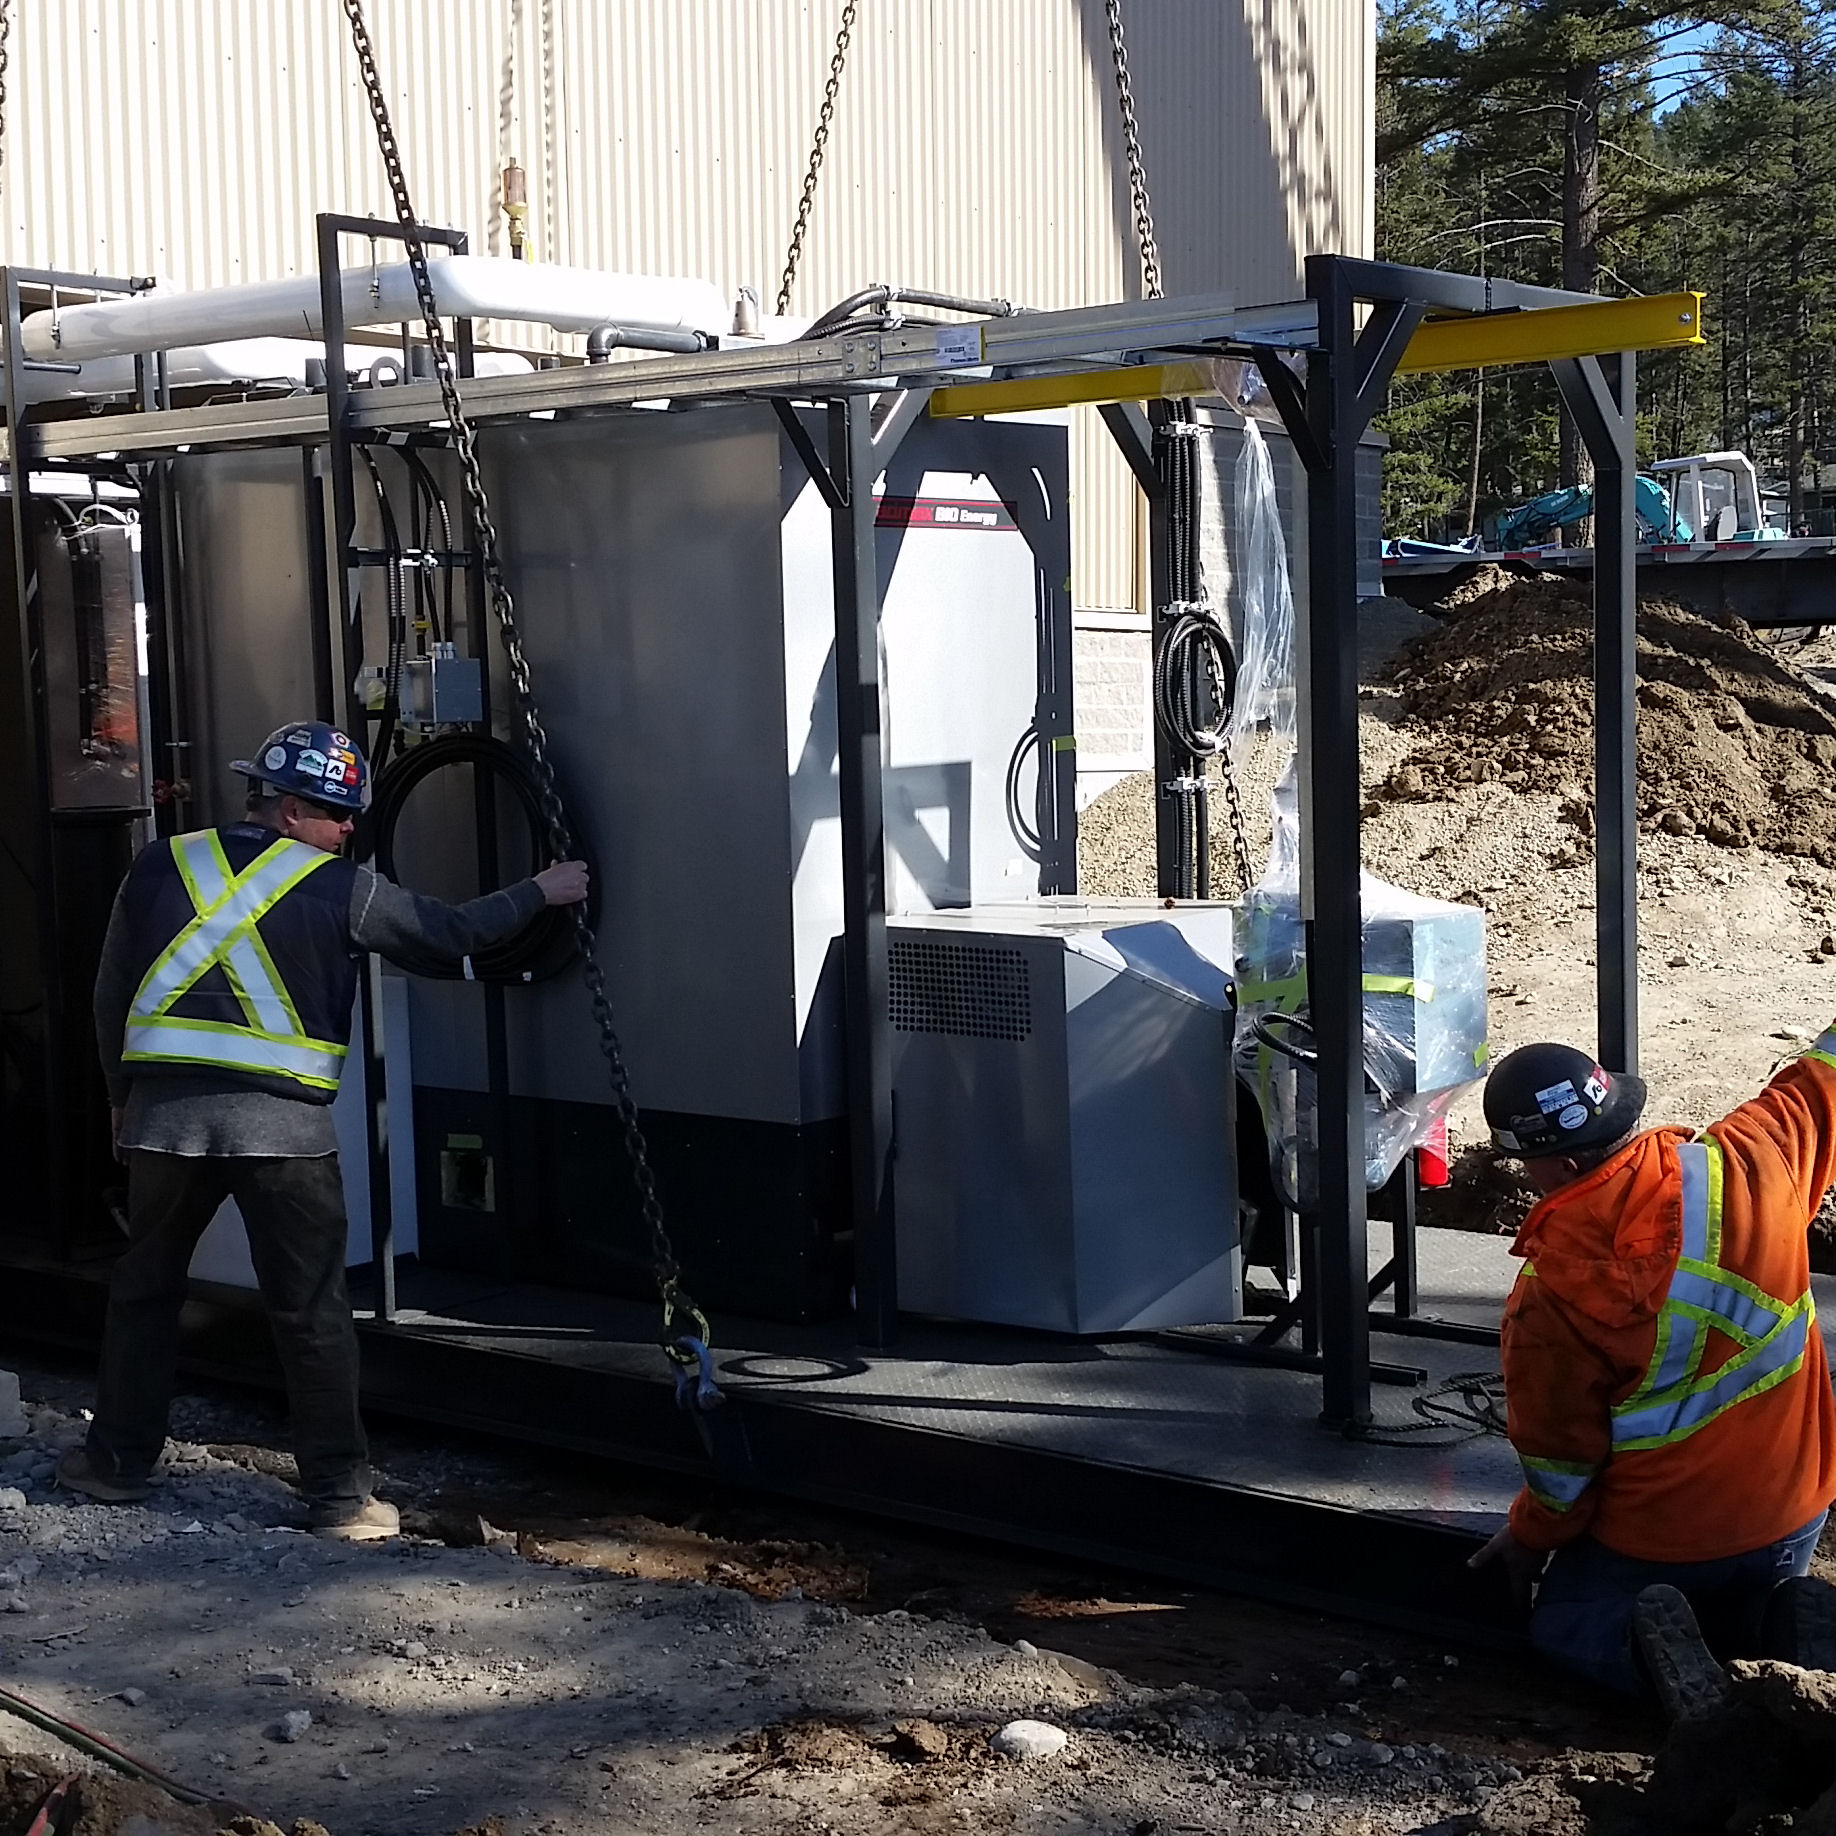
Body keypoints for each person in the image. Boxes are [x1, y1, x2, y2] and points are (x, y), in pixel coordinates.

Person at [59, 721, 589, 1541]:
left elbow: (109, 993)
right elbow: (447, 935)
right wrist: (539, 891)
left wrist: (120, 1097)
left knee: (144, 1295)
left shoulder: (162, 863)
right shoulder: (341, 888)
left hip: (167, 1121)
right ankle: (340, 1498)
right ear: (291, 811)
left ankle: (114, 1466)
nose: (350, 832)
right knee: (309, 1309)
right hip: (286, 1134)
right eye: (340, 816)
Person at [1469, 1032, 1836, 1713]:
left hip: (1664, 1545)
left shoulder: (1550, 1295)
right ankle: (1785, 1649)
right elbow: (1826, 1075)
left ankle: (1692, 1678)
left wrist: (1527, 1539)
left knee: (1569, 1625)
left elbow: (1561, 1468)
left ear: (1559, 1165)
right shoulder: (1755, 1157)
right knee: (1754, 1600)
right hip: (1794, 1516)